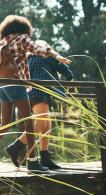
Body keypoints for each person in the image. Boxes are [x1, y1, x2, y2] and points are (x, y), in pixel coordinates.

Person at [0, 15, 71, 173]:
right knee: (29, 122)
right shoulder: (22, 38)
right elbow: (39, 49)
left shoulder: (3, 42)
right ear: (24, 29)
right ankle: (32, 162)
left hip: (1, 86)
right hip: (16, 84)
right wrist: (57, 56)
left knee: (5, 123)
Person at [26, 40, 73, 169]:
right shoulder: (49, 58)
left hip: (30, 93)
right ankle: (16, 146)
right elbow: (66, 72)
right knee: (41, 124)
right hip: (41, 92)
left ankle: (45, 157)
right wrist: (68, 82)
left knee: (47, 125)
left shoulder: (29, 58)